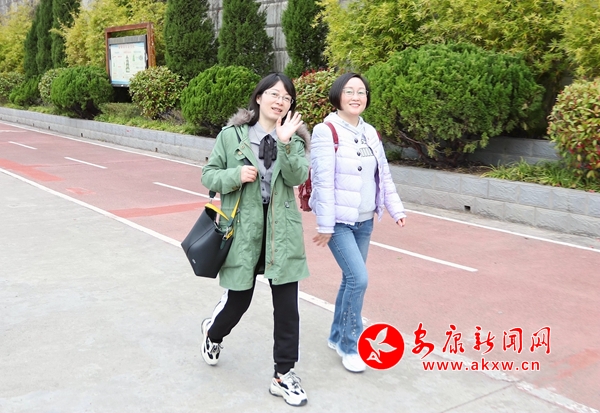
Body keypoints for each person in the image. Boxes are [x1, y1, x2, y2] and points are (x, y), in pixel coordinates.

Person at [200, 73, 310, 406]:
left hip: (282, 231)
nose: (280, 102)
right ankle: (213, 333)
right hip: (243, 229)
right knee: (239, 301)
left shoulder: (295, 138)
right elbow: (208, 175)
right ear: (259, 97)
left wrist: (285, 142)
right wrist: (235, 175)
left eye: (287, 98)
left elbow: (297, 176)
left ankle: (283, 375)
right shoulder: (231, 136)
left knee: (287, 308)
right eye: (274, 94)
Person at [309, 73, 407, 373]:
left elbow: (383, 175)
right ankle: (350, 345)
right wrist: (325, 225)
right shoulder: (325, 131)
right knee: (359, 279)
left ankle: (336, 335)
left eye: (361, 91)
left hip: (365, 221)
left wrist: (396, 209)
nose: (356, 97)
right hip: (339, 223)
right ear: (338, 96)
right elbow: (323, 181)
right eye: (349, 91)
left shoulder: (370, 132)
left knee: (350, 279)